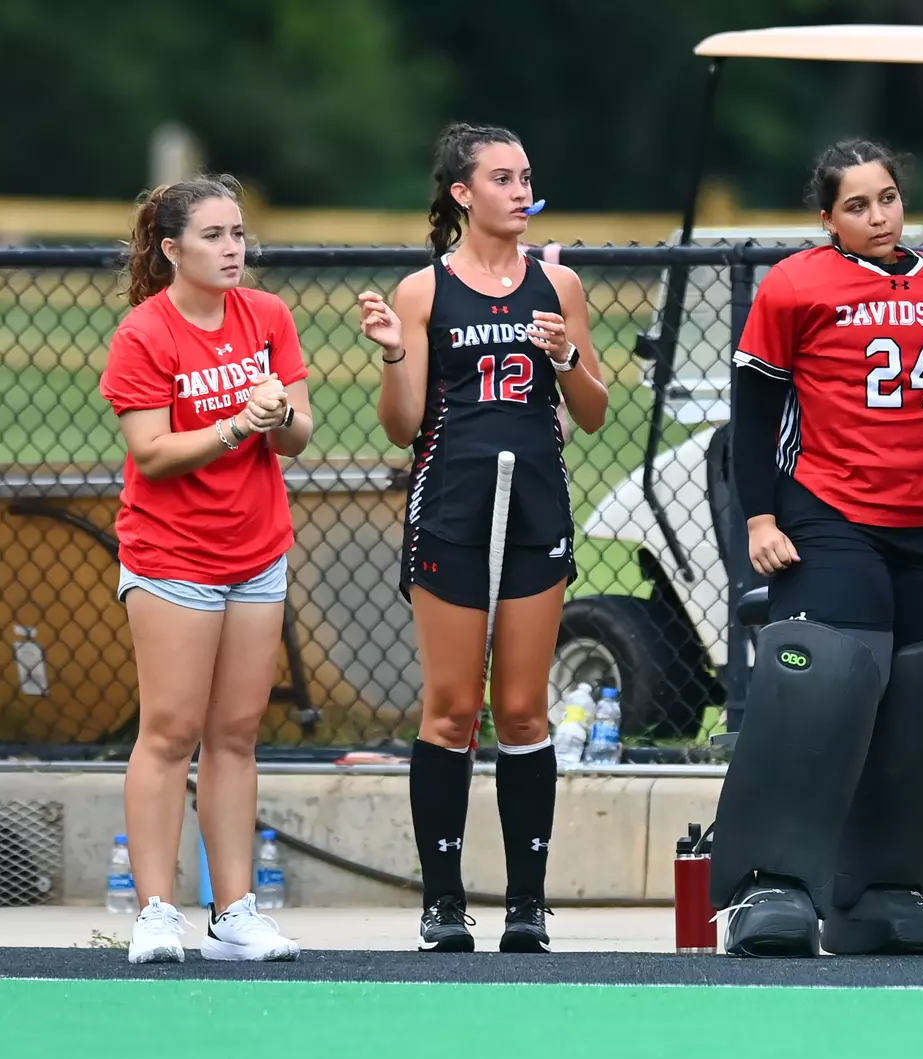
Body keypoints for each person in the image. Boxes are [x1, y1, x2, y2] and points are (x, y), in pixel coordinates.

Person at [707, 139, 923, 958]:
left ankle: (886, 885)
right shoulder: (795, 284)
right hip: (832, 511)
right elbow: (755, 410)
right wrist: (760, 521)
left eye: (886, 199)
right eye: (856, 206)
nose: (877, 217)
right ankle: (771, 884)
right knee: (828, 685)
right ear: (826, 217)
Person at [356, 123, 609, 954]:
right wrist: (397, 356)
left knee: (524, 709)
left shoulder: (557, 282)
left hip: (535, 504)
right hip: (455, 508)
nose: (520, 192)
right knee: (453, 708)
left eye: (526, 177)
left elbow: (595, 413)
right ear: (463, 194)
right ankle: (442, 902)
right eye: (502, 179)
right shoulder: (424, 291)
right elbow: (402, 428)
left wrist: (570, 356)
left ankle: (528, 904)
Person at [99, 174, 312, 964]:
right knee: (170, 730)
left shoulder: (267, 317)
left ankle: (235, 916)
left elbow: (296, 435)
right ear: (172, 248)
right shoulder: (144, 335)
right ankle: (156, 912)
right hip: (172, 555)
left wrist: (278, 413)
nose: (233, 249)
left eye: (239, 234)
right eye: (215, 235)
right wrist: (233, 427)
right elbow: (151, 455)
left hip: (257, 551)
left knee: (235, 733)